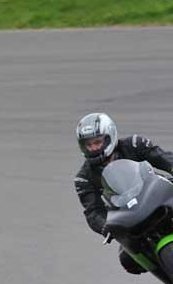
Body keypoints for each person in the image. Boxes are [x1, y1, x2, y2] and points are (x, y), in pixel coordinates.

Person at [74, 113, 173, 274]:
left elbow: (164, 159)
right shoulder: (83, 178)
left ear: (109, 136)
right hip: (127, 214)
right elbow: (93, 212)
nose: (93, 147)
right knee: (127, 261)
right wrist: (104, 226)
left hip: (157, 192)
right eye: (88, 144)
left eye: (97, 142)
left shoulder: (134, 144)